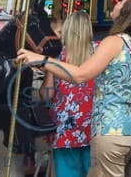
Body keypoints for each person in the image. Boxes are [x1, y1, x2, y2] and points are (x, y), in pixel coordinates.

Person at [18, 0, 131, 177]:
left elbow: (78, 76)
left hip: (102, 128)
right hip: (128, 128)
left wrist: (43, 60)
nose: (117, 2)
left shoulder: (109, 44)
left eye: (122, 3)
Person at [41, 11, 97, 177]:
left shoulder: (58, 56)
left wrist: (50, 70)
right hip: (94, 126)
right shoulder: (100, 52)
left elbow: (46, 95)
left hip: (65, 129)